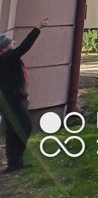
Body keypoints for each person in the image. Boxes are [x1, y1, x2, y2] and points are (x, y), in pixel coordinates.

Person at [0, 18, 48, 172]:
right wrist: (37, 28)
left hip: (10, 100)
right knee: (24, 127)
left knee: (13, 130)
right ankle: (16, 158)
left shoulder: (6, 59)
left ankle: (14, 162)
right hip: (13, 100)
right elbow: (25, 46)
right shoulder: (8, 58)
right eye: (12, 42)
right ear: (6, 47)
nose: (14, 44)